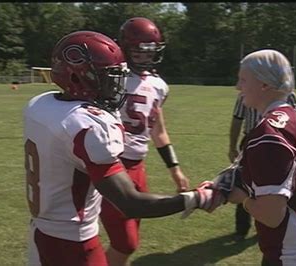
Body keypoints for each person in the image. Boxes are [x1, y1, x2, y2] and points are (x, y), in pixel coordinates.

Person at [23, 30, 221, 266]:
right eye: (109, 77)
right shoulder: (88, 126)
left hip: (40, 233)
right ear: (78, 77)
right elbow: (131, 203)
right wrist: (196, 199)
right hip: (74, 243)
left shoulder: (40, 104)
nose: (115, 85)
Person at [225, 49, 296, 265]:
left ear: (264, 84)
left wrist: (241, 198)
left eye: (243, 79)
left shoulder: (268, 134)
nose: (238, 87)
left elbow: (272, 216)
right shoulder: (291, 117)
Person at [99, 17, 190, 266]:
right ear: (126, 48)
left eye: (149, 50)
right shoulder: (111, 76)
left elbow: (159, 131)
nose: (144, 56)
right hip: (110, 164)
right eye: (138, 50)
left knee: (127, 240)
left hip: (138, 167)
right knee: (125, 242)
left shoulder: (159, 86)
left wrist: (176, 171)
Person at [229, 91, 296, 239]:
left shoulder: (286, 92)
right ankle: (242, 228)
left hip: (278, 142)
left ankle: (271, 223)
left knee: (275, 186)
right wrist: (232, 146)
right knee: (245, 182)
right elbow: (237, 118)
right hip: (252, 139)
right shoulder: (246, 91)